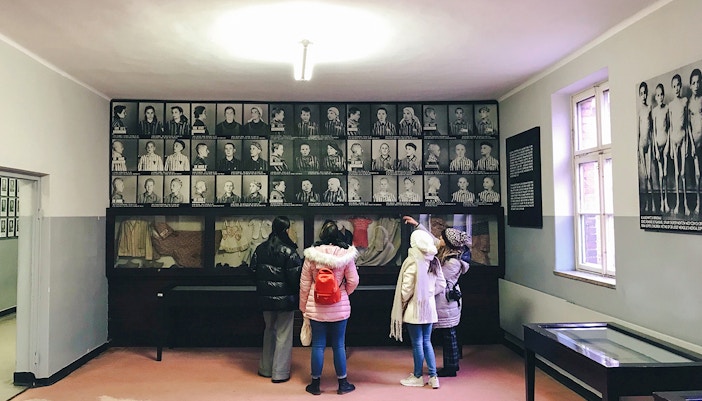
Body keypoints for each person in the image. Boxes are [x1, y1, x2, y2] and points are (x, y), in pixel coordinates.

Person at [402, 216, 470, 377]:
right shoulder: (448, 253)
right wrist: (417, 225)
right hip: (444, 301)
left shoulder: (453, 262)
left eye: (442, 238)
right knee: (445, 335)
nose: (439, 239)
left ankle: (451, 367)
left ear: (448, 243)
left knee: (449, 335)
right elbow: (432, 240)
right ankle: (448, 365)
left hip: (446, 302)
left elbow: (439, 281)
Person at [299, 220, 359, 395]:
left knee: (318, 345)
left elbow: (304, 284)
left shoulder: (312, 255)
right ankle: (342, 383)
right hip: (339, 306)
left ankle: (315, 385)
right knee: (339, 345)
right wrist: (343, 292)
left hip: (316, 306)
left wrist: (303, 307)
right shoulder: (345, 255)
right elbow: (354, 280)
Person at [249, 216, 303, 384]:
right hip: (285, 300)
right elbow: (296, 278)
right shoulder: (290, 251)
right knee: (283, 334)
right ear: (286, 230)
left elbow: (252, 271)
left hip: (265, 299)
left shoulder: (260, 248)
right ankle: (279, 373)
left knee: (269, 330)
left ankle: (265, 368)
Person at [389, 227, 445, 389]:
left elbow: (406, 290)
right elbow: (441, 284)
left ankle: (418, 376)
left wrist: (404, 302)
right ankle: (433, 377)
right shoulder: (434, 260)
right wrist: (428, 294)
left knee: (417, 343)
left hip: (414, 309)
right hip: (430, 308)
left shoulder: (412, 261)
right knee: (427, 341)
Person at [668, 74, 691, 215]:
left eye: (678, 85)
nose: (676, 88)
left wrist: (687, 143)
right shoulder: (671, 105)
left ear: (681, 86)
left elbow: (686, 124)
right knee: (677, 172)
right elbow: (671, 126)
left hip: (683, 138)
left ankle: (686, 203)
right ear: (672, 88)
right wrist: (671, 147)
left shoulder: (684, 101)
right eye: (674, 86)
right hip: (674, 140)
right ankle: (677, 203)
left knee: (683, 173)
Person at [652, 83, 670, 213]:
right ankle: (662, 201)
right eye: (658, 95)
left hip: (666, 145)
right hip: (658, 146)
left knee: (666, 173)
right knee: (660, 175)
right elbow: (653, 132)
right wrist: (656, 150)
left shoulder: (667, 109)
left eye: (662, 94)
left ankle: (667, 201)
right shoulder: (654, 111)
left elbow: (669, 128)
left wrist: (668, 145)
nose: (660, 97)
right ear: (656, 97)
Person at [638, 81, 654, 213]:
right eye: (641, 93)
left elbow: (652, 129)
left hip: (648, 143)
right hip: (641, 144)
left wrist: (652, 144)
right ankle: (647, 203)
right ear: (639, 95)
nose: (643, 96)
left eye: (645, 93)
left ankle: (653, 203)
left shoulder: (649, 108)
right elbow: (638, 131)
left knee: (650, 175)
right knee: (644, 175)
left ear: (647, 94)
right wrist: (637, 149)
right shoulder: (639, 111)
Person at [689, 69, 702, 215]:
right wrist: (692, 145)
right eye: (693, 83)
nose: (696, 85)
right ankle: (698, 202)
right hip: (695, 143)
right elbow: (687, 125)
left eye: (698, 82)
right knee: (697, 174)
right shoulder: (689, 104)